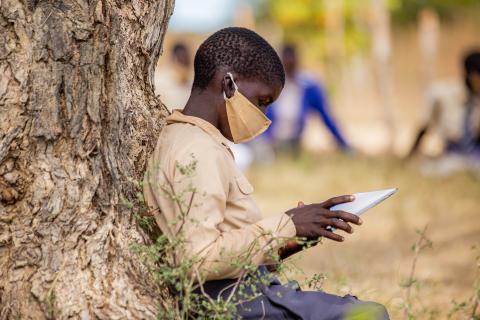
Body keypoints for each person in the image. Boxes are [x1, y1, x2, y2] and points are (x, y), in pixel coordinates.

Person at [144, 27, 389, 319]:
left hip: (240, 292)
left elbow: (222, 246)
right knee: (369, 314)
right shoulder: (199, 151)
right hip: (229, 301)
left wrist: (288, 242)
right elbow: (198, 259)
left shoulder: (190, 139)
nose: (262, 116)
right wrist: (286, 224)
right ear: (228, 83)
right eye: (261, 101)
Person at [262, 44, 351, 155]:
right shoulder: (268, 86)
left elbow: (327, 118)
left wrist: (344, 145)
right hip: (268, 142)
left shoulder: (309, 87)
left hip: (294, 143)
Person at [407, 51, 480, 158]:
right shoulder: (443, 94)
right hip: (452, 153)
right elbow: (425, 125)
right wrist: (410, 156)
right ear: (472, 76)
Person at [154, 42, 193, 111]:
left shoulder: (192, 84)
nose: (184, 67)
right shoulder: (160, 79)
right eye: (182, 60)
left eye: (187, 61)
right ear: (173, 59)